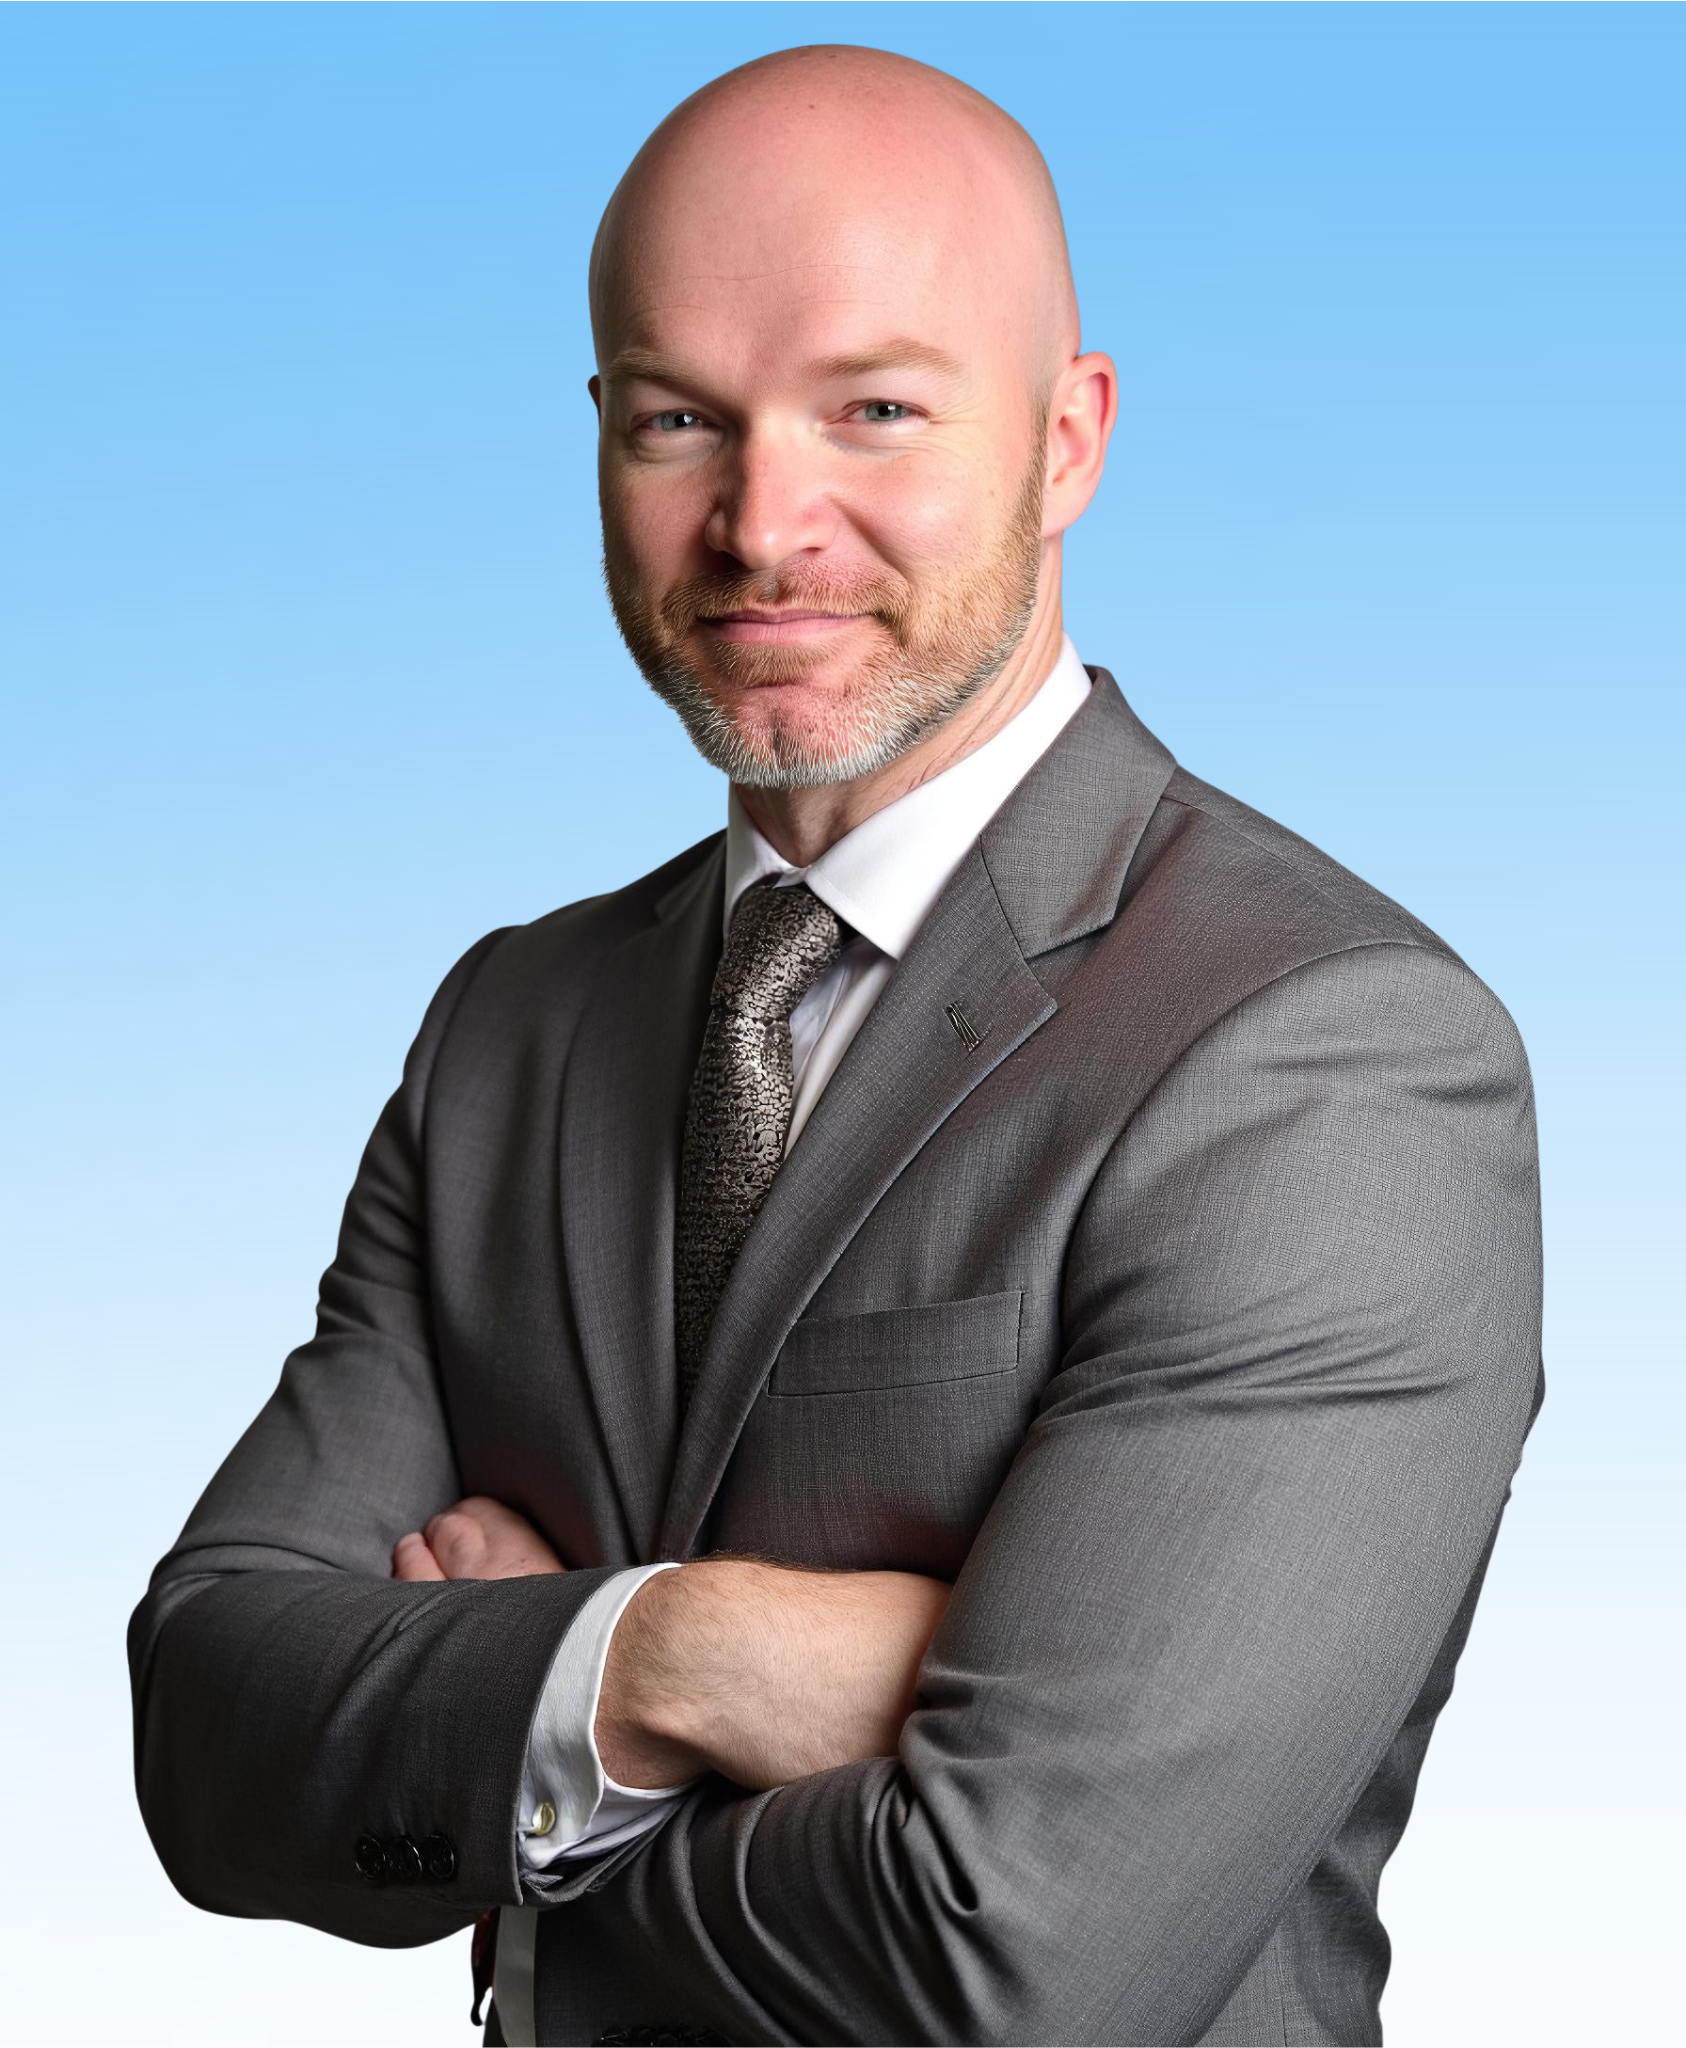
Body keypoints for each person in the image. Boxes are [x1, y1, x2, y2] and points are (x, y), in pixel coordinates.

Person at [127, 43, 1545, 2048]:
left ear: (1069, 442)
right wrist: (667, 1660)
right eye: (677, 421)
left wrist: (507, 1771)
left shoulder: (1327, 1061)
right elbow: (208, 1732)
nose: (761, 522)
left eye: (873, 410)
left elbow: (1014, 1963)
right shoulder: (511, 1029)